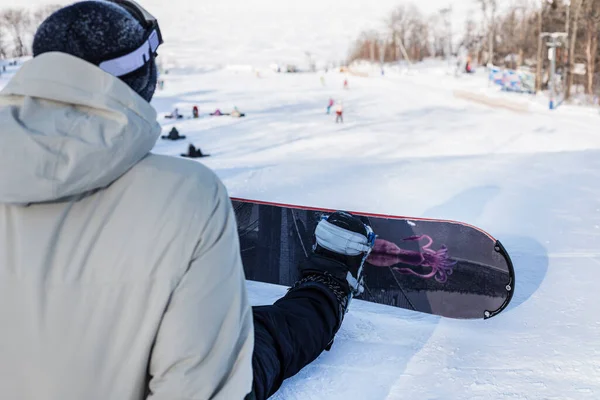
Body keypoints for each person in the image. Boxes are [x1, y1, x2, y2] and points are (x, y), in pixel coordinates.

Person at [0, 1, 376, 399]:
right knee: (260, 339)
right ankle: (327, 286)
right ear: (142, 80)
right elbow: (201, 387)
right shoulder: (187, 192)